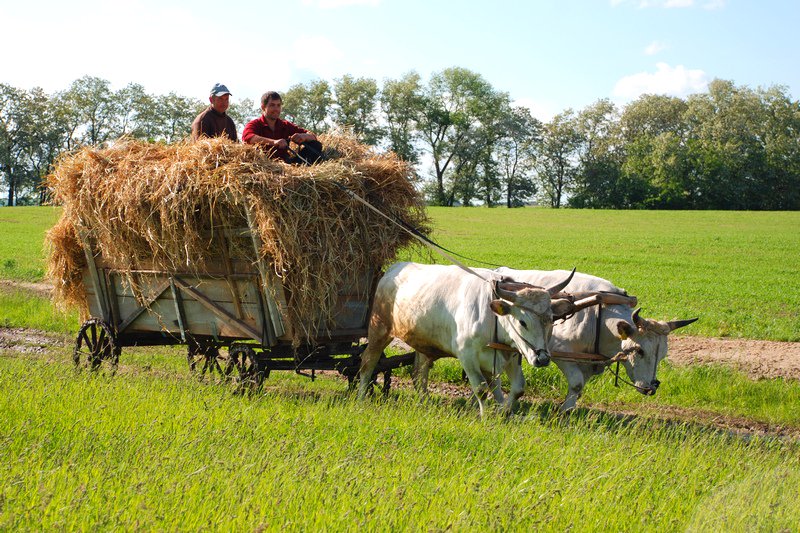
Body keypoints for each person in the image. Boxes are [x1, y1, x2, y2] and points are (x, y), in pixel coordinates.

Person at [242, 91, 323, 164]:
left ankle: (301, 173)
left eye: (278, 105)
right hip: (263, 166)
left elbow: (313, 136)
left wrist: (303, 137)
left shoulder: (285, 125)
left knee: (316, 145)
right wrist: (274, 142)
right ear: (263, 107)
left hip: (286, 165)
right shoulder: (255, 124)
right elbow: (248, 137)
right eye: (272, 105)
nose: (276, 109)